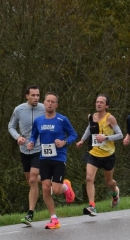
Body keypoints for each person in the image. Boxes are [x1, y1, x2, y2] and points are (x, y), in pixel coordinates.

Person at [27, 92, 78, 229]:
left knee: (56, 190)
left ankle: (65, 186)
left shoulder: (62, 120)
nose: (49, 104)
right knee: (45, 188)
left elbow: (74, 134)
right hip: (44, 158)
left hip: (59, 158)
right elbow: (34, 135)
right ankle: (54, 218)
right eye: (47, 101)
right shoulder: (38, 121)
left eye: (52, 102)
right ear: (44, 103)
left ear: (56, 105)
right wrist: (31, 142)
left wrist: (64, 142)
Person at [76, 94, 124, 216]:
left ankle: (115, 192)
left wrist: (105, 138)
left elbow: (120, 135)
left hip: (108, 154)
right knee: (89, 178)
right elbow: (89, 128)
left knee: (109, 182)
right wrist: (82, 140)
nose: (98, 104)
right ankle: (92, 206)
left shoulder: (110, 118)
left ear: (106, 105)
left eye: (101, 102)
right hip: (93, 153)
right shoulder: (91, 117)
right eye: (97, 102)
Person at [8, 85, 46, 226]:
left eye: (38, 95)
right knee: (32, 180)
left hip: (39, 148)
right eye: (33, 95)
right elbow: (10, 126)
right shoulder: (19, 110)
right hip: (24, 150)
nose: (36, 98)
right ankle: (58, 184)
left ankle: (30, 214)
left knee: (32, 179)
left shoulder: (44, 108)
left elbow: (53, 121)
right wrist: (17, 137)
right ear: (27, 96)